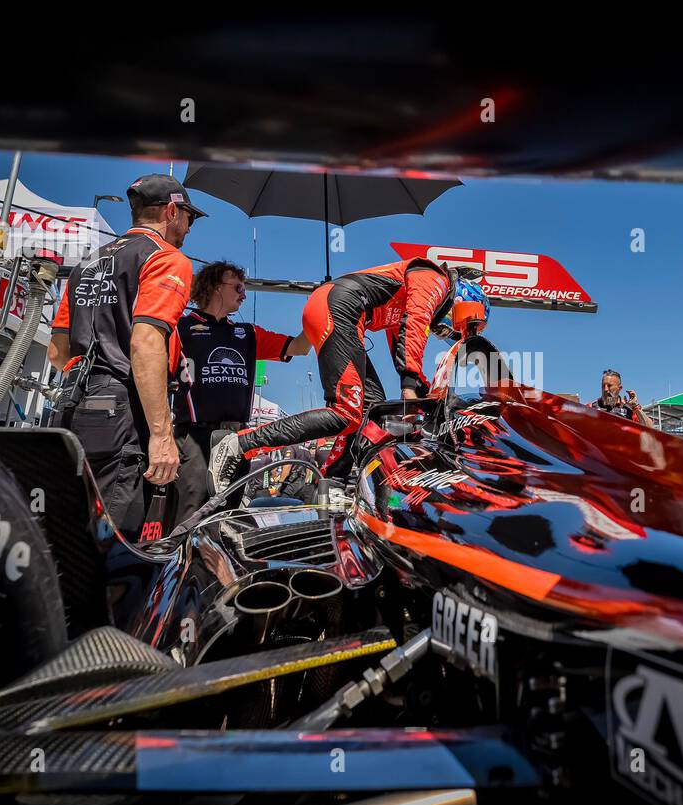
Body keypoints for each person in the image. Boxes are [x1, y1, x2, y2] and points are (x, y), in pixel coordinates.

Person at [208, 257, 475, 493]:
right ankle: (239, 444)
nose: (442, 330)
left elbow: (401, 338)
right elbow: (416, 324)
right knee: (345, 412)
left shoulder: (414, 291)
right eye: (451, 325)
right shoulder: (435, 278)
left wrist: (418, 387)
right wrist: (409, 384)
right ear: (461, 297)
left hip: (338, 310)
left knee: (371, 409)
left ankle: (335, 481)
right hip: (340, 309)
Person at [48, 174, 204, 538]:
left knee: (68, 528)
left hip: (72, 406)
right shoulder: (167, 259)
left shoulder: (89, 262)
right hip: (122, 408)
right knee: (113, 538)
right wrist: (162, 436)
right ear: (171, 211)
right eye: (189, 217)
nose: (189, 227)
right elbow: (145, 343)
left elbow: (58, 351)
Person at [171, 261, 311, 521]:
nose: (244, 294)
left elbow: (300, 347)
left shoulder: (247, 333)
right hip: (193, 438)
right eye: (237, 287)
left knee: (228, 518)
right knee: (189, 519)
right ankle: (185, 561)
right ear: (215, 287)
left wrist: (324, 311)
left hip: (236, 439)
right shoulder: (180, 329)